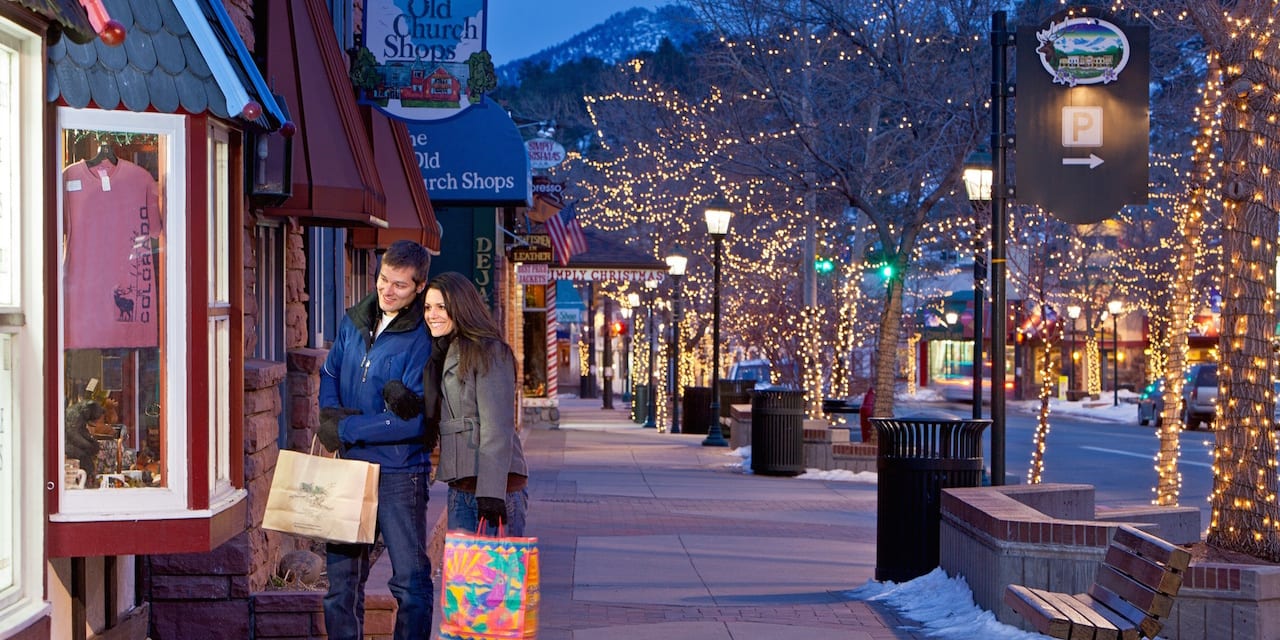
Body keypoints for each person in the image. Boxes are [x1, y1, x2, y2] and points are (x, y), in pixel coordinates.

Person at [316, 239, 433, 640]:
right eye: (384, 279)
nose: (387, 290)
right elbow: (330, 373)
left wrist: (346, 428)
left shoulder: (422, 336)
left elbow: (412, 421)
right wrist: (329, 414)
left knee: (410, 583)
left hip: (400, 472)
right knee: (340, 586)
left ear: (419, 287)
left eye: (400, 285)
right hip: (350, 469)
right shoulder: (354, 320)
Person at [423, 271, 529, 535]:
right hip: (462, 486)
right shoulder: (442, 351)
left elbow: (497, 427)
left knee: (497, 575)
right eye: (427, 307)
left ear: (461, 307)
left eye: (441, 307)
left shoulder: (490, 352)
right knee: (464, 576)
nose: (431, 314)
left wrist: (492, 493)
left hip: (496, 488)